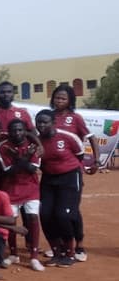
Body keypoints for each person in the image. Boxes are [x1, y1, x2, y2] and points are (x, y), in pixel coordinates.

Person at [50, 84, 99, 261]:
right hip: (52, 172)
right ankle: (61, 245)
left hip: (72, 170)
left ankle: (79, 245)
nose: (59, 101)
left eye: (63, 98)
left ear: (70, 101)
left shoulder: (75, 118)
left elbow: (91, 138)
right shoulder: (49, 117)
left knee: (71, 210)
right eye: (57, 97)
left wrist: (96, 161)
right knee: (54, 210)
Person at [36, 109, 86, 268]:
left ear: (53, 123)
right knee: (45, 214)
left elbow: (80, 155)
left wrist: (71, 170)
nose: (41, 125)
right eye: (39, 122)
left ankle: (70, 253)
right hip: (48, 179)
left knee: (63, 215)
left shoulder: (67, 137)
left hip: (69, 178)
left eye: (45, 122)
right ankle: (57, 252)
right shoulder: (37, 141)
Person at [0, 119, 45, 271]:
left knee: (33, 217)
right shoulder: (3, 146)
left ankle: (34, 257)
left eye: (20, 130)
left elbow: (32, 169)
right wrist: (25, 157)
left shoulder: (33, 145)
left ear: (25, 131)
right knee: (11, 220)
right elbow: (9, 171)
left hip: (30, 187)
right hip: (11, 188)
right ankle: (13, 254)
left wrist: (17, 158)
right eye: (14, 130)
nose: (17, 133)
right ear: (9, 132)